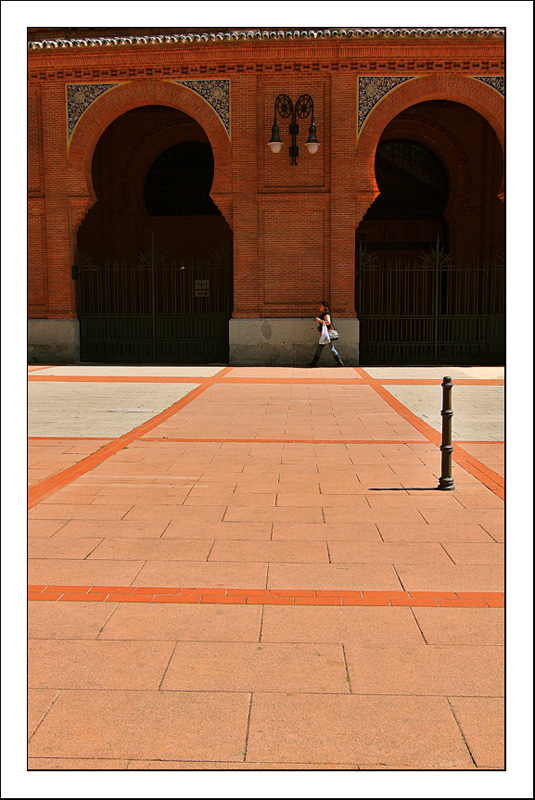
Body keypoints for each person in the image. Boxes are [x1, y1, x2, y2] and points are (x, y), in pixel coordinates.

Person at [307, 301, 344, 367]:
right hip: (324, 335)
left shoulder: (326, 314)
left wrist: (319, 320)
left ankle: (339, 362)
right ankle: (314, 363)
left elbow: (328, 322)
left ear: (324, 307)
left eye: (321, 306)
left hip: (327, 335)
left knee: (331, 348)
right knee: (319, 348)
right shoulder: (324, 314)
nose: (320, 307)